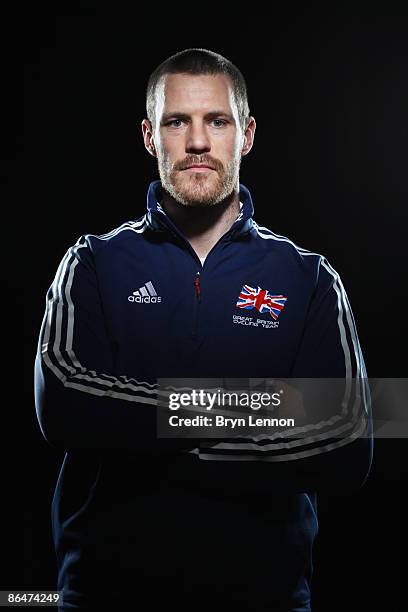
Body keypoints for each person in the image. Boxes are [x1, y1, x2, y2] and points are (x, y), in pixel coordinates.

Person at [34, 48, 373, 611]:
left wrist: (144, 422)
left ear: (247, 135)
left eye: (217, 121)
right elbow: (65, 404)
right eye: (176, 122)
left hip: (266, 600)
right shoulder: (91, 263)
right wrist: (262, 411)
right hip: (105, 596)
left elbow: (346, 439)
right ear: (150, 136)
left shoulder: (310, 278)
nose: (197, 142)